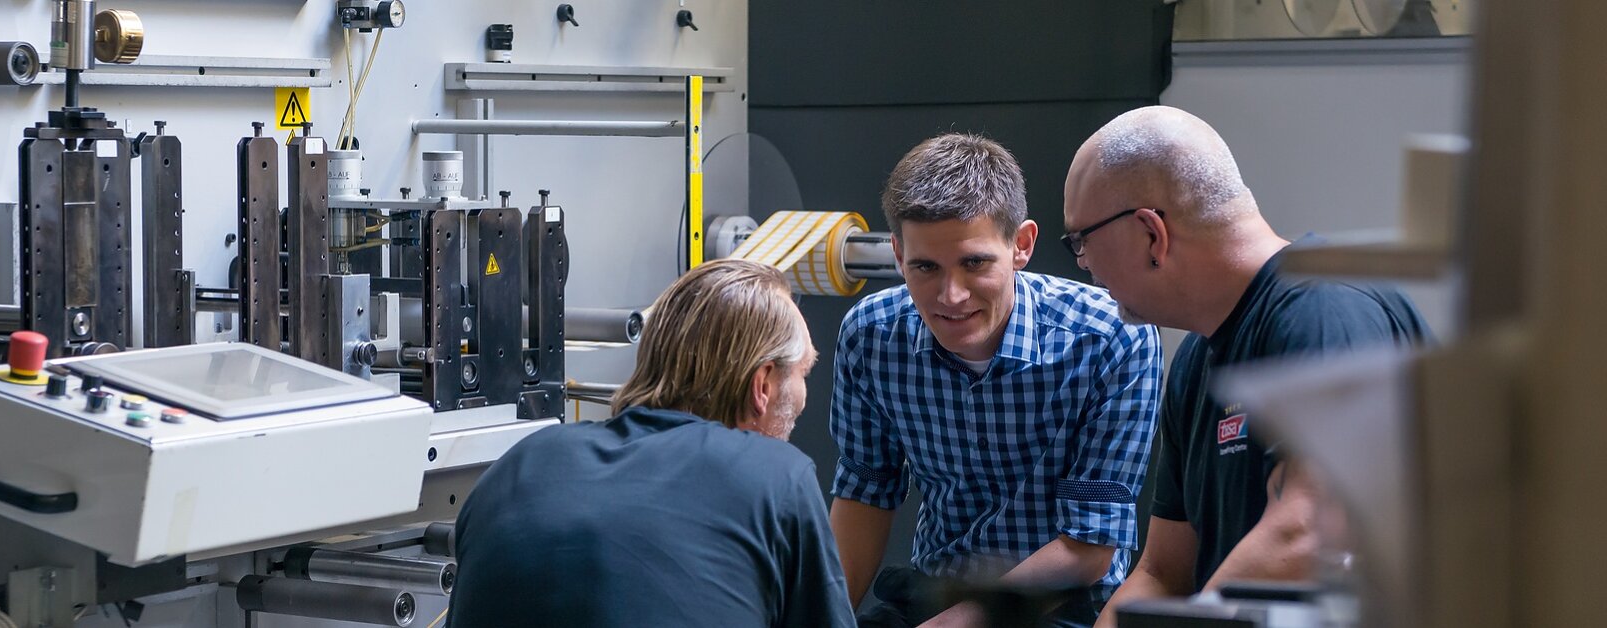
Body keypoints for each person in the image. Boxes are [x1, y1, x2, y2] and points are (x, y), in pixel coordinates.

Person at [1058, 106, 1431, 627]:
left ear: (1150, 233)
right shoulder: (1195, 359)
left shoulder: (1324, 309)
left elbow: (1309, 530)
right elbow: (1164, 573)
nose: (1083, 265)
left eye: (1080, 240)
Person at [831, 133, 1163, 628]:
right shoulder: (872, 335)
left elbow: (1089, 547)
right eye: (925, 267)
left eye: (974, 263)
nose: (951, 295)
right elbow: (864, 497)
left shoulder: (1111, 339)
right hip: (930, 592)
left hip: (1060, 606)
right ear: (898, 257)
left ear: (1021, 245)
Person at [448, 259, 855, 628]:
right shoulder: (777, 477)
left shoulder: (518, 465)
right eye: (804, 372)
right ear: (762, 384)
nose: (805, 393)